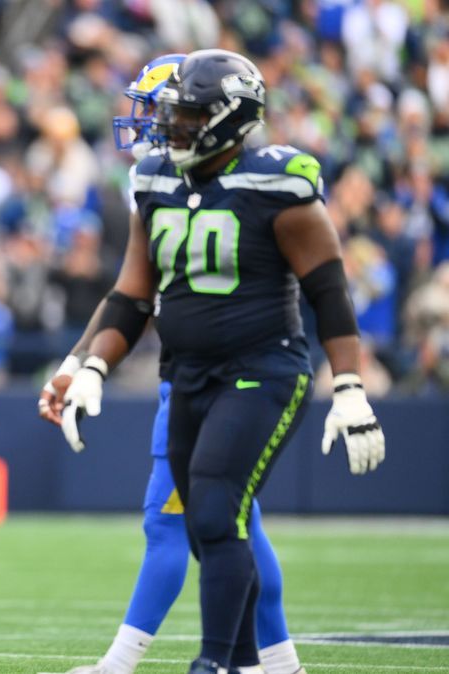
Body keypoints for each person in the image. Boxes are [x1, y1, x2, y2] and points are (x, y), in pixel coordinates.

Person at [54, 50, 385, 674]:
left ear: (230, 119)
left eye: (185, 116)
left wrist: (349, 386)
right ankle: (259, 663)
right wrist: (93, 365)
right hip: (186, 375)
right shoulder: (156, 180)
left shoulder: (276, 183)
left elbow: (329, 292)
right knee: (218, 527)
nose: (170, 128)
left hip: (263, 369)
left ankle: (212, 665)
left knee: (210, 508)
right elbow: (132, 294)